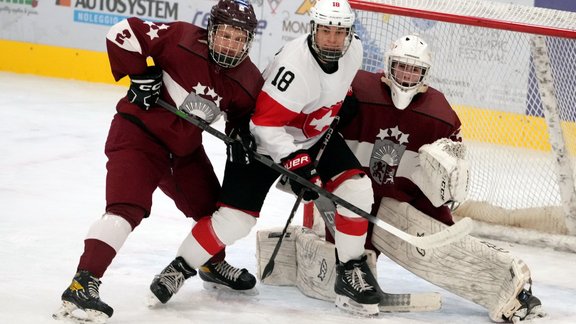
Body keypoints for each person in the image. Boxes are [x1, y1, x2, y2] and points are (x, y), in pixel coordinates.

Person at [151, 0, 383, 317]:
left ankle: (350, 272)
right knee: (236, 222)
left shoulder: (353, 50)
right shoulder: (295, 68)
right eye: (326, 31)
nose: (332, 39)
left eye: (339, 32)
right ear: (313, 29)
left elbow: (339, 83)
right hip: (259, 142)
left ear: (349, 33)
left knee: (357, 190)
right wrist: (296, 163)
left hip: (314, 136)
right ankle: (180, 267)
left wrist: (342, 104)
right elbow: (264, 125)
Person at [53, 0, 263, 322]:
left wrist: (241, 134)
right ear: (211, 31)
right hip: (139, 137)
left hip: (184, 151)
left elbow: (241, 115)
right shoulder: (180, 38)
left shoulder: (247, 79)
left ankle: (210, 262)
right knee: (126, 209)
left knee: (211, 209)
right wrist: (139, 75)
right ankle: (84, 283)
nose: (230, 45)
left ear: (248, 41)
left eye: (239, 38)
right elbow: (123, 33)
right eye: (225, 35)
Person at [332, 34, 545, 322]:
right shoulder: (357, 88)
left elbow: (446, 181)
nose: (407, 75)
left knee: (449, 244)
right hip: (354, 196)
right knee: (349, 262)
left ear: (425, 75)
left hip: (407, 196)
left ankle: (508, 287)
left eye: (414, 70)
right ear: (388, 66)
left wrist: (448, 181)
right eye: (401, 67)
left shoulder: (440, 114)